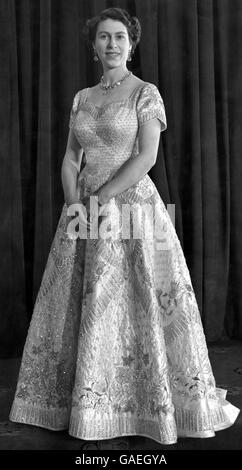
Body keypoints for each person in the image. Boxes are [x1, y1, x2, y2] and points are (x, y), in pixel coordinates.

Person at [9, 7, 239, 445]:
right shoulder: (82, 98)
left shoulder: (145, 93)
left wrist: (101, 200)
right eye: (103, 37)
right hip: (84, 211)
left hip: (131, 208)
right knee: (81, 304)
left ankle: (152, 405)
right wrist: (75, 204)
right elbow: (70, 159)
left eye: (119, 36)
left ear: (131, 43)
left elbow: (146, 157)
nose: (111, 44)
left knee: (138, 305)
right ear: (93, 46)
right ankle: (86, 405)